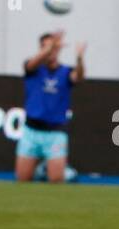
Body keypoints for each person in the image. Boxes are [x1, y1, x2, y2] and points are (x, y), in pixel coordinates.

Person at [15, 29, 85, 182]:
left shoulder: (66, 71)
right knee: (22, 179)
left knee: (56, 180)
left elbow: (78, 77)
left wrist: (79, 57)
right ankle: (41, 171)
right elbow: (34, 62)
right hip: (31, 131)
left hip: (55, 132)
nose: (51, 51)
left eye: (54, 47)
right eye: (47, 47)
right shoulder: (33, 68)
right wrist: (50, 46)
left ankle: (49, 171)